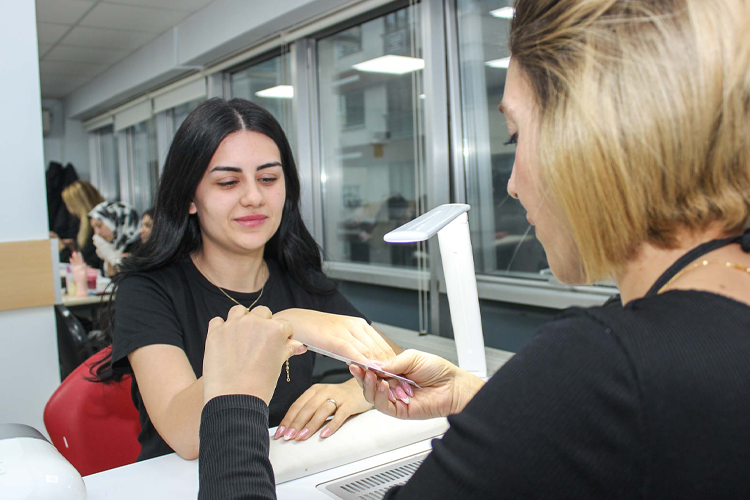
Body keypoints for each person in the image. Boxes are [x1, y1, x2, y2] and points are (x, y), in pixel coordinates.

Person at [195, 0, 750, 498]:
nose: (513, 184)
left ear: (591, 138)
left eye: (516, 136)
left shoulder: (604, 362)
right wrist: (476, 396)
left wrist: (233, 402)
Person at [94, 97, 400, 462]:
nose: (254, 197)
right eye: (228, 182)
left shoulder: (298, 278)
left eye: (268, 179)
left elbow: (393, 360)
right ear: (190, 197)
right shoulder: (148, 289)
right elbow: (185, 436)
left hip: (284, 472)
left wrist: (354, 391)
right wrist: (287, 324)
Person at [51, 179, 105, 270]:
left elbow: (85, 263)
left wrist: (62, 248)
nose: (71, 210)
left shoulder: (95, 229)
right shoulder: (86, 226)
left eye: (71, 205)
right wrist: (74, 247)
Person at [88, 200, 141, 275]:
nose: (97, 233)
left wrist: (112, 258)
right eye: (94, 228)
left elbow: (127, 275)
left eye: (99, 226)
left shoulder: (140, 247)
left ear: (116, 222)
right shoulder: (114, 246)